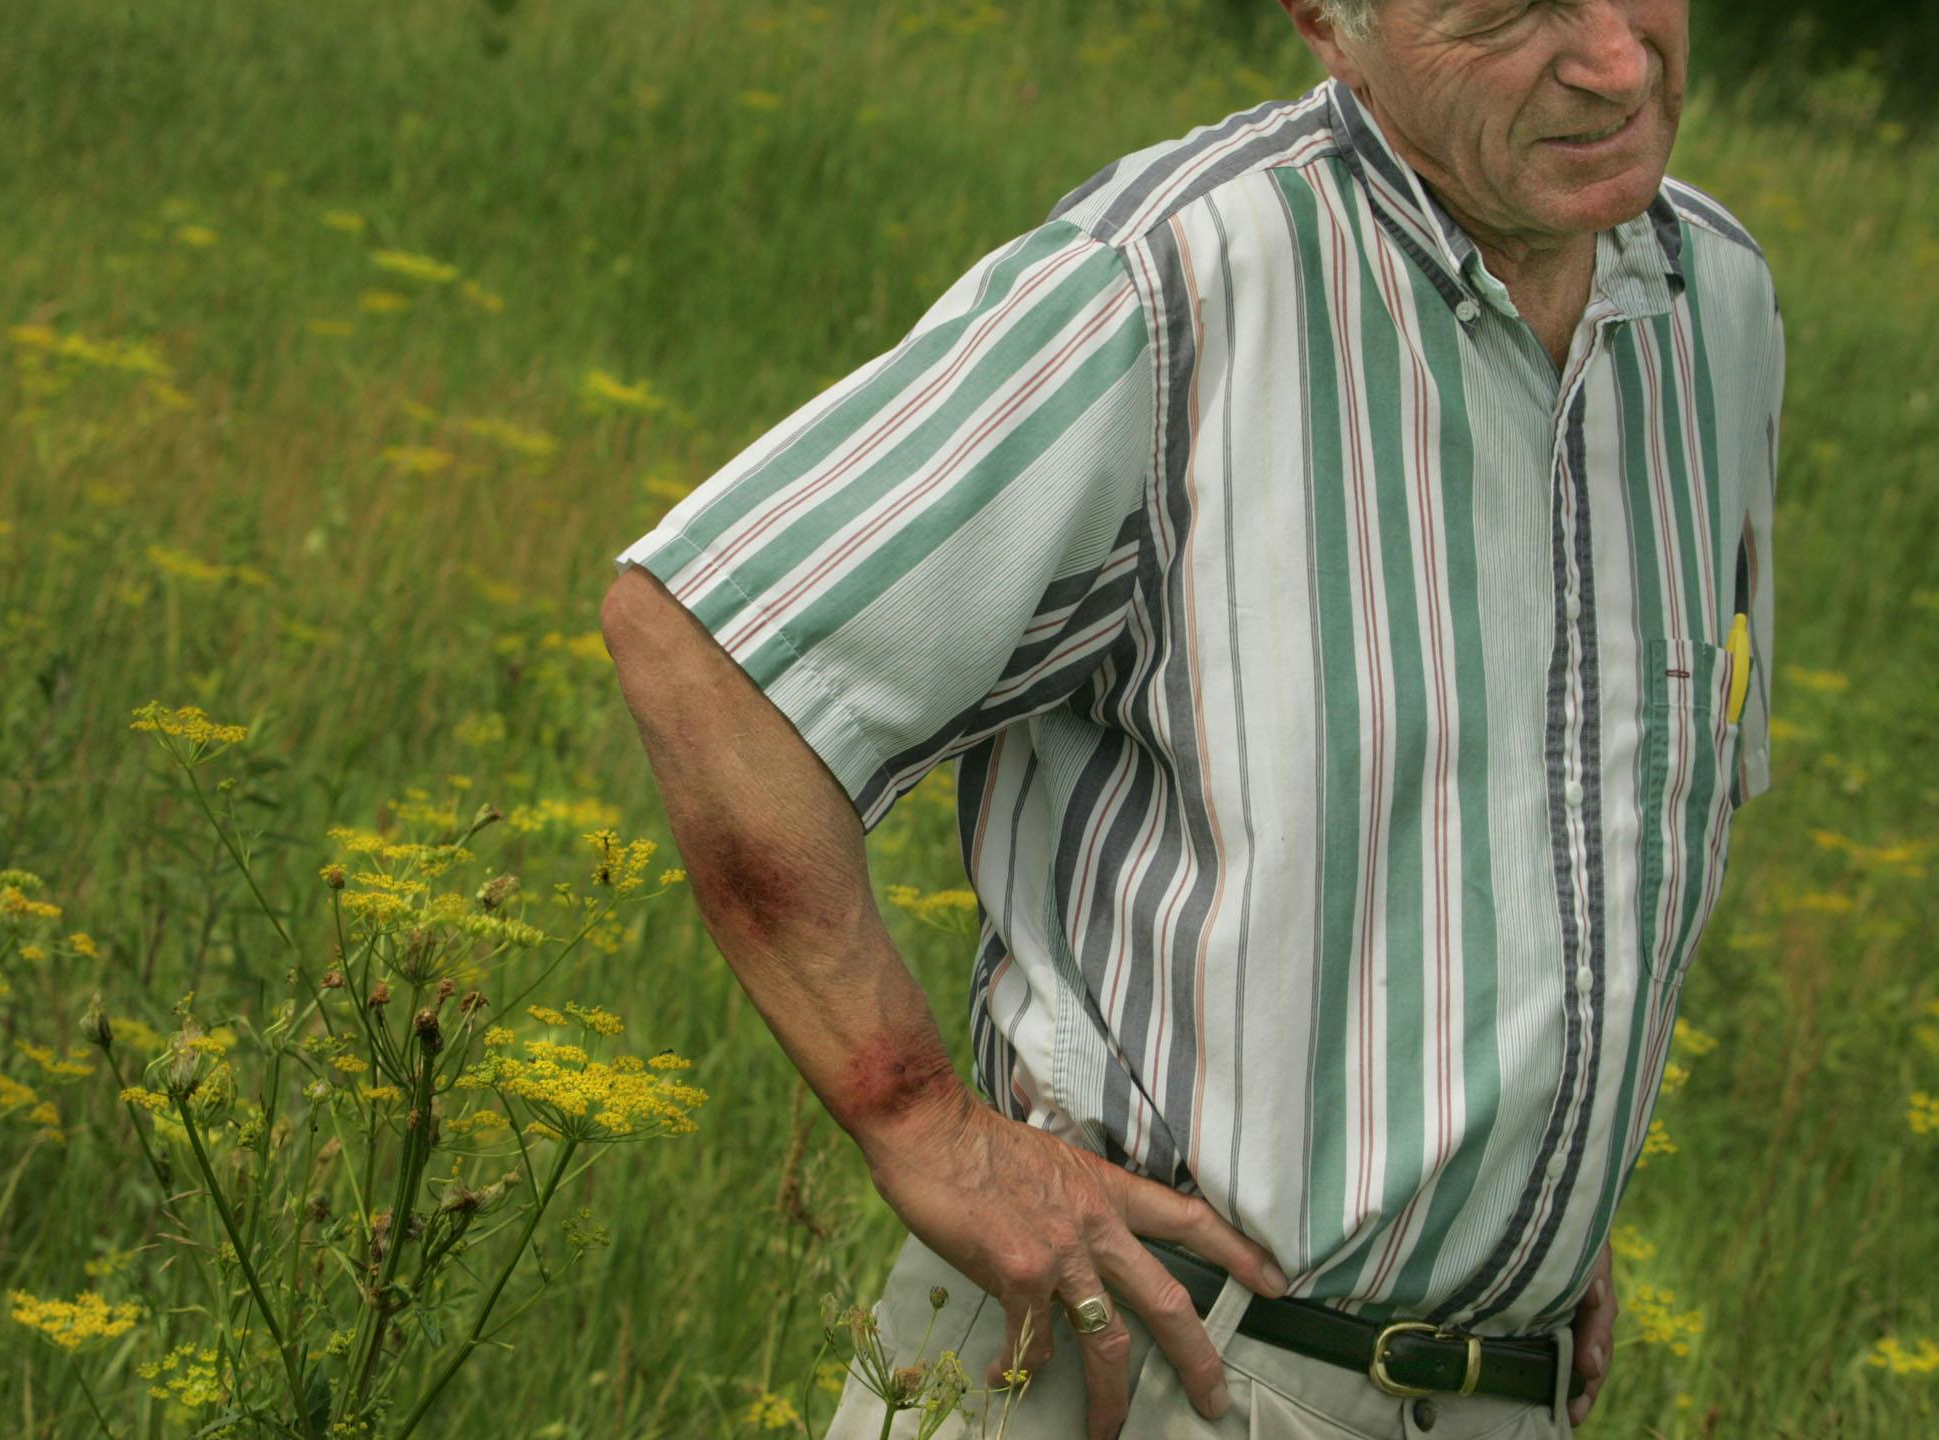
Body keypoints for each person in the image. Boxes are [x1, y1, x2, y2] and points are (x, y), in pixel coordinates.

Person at [601, 0, 1779, 1434]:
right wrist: (919, 1120)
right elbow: (708, 642)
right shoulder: (1172, 282)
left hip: (1498, 1393)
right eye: (1511, 10)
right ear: (1327, 22)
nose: (1616, 59)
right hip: (1143, 1374)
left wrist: (1512, 1220)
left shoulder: (1713, 301)